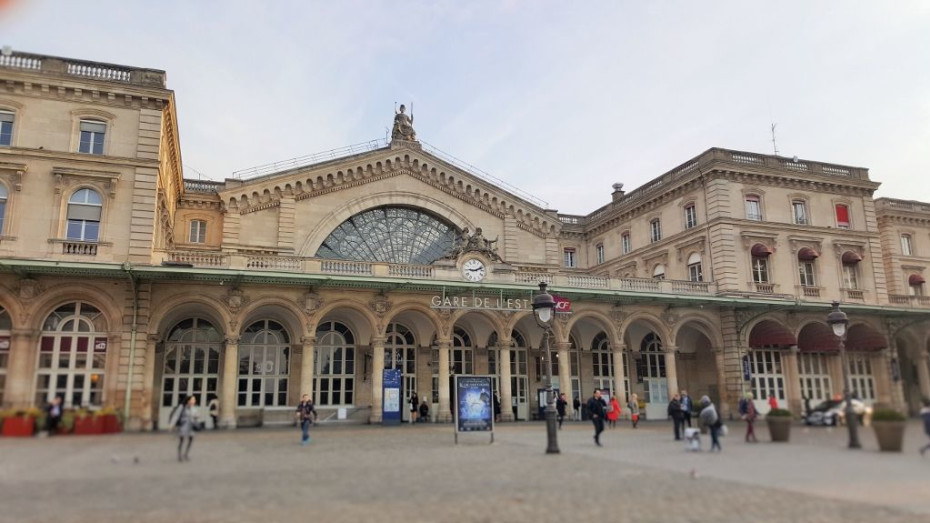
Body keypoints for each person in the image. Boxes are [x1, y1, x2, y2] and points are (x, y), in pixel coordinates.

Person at [170, 395, 200, 462]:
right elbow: (176, 415)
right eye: (193, 400)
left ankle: (186, 454)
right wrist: (172, 425)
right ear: (188, 401)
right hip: (183, 425)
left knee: (191, 439)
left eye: (194, 400)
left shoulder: (194, 408)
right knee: (182, 440)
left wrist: (196, 418)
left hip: (191, 425)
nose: (194, 401)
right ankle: (179, 455)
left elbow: (196, 416)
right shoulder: (182, 407)